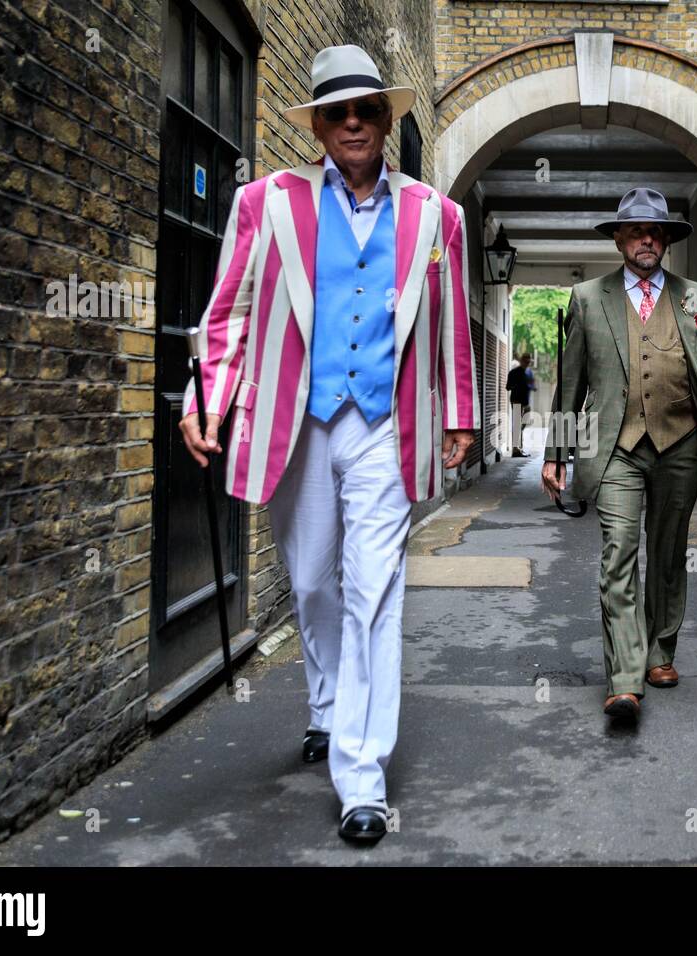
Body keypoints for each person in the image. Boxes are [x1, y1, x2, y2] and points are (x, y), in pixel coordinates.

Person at [178, 44, 478, 842]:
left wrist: (460, 413)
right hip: (298, 420)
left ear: (388, 119)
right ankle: (323, 702)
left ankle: (362, 776)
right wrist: (202, 393)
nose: (353, 123)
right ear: (316, 123)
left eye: (367, 109)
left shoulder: (435, 216)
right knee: (311, 581)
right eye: (336, 111)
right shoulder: (266, 202)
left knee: (372, 590)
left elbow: (449, 325)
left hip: (385, 423)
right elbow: (231, 311)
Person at [541, 188, 697, 721]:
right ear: (618, 239)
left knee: (667, 550)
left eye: (655, 232)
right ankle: (624, 677)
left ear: (666, 240)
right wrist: (557, 453)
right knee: (619, 551)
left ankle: (661, 650)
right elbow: (570, 385)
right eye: (636, 231)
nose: (646, 240)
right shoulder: (589, 298)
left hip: (679, 445)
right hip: (615, 447)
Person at [505, 354, 535, 455]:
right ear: (521, 360)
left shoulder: (528, 373)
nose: (527, 363)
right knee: (517, 425)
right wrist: (517, 385)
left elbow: (531, 385)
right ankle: (515, 449)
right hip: (517, 401)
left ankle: (519, 447)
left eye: (529, 362)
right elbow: (508, 387)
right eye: (526, 361)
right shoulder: (514, 372)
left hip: (526, 402)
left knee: (522, 424)